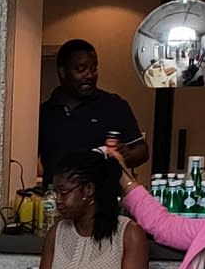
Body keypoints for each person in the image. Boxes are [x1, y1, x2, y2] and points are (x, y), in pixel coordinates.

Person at [38, 40, 148, 183]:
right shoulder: (44, 113)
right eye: (81, 69)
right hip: (58, 195)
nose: (90, 75)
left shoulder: (114, 105)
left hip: (105, 195)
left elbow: (142, 151)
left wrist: (126, 155)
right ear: (63, 72)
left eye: (94, 68)